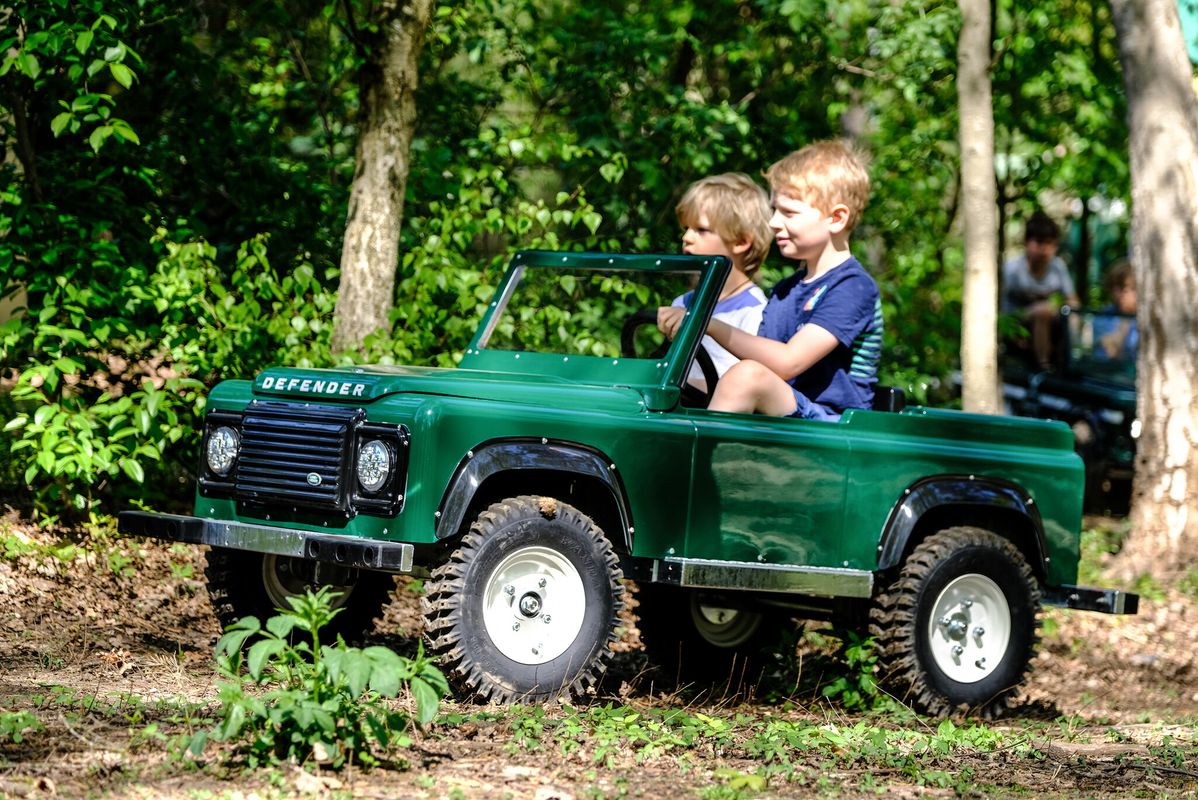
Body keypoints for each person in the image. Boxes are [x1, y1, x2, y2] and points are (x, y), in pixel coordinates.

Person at [658, 140, 882, 420]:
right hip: (786, 413)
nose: (774, 222)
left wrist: (703, 322)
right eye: (775, 210)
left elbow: (788, 362)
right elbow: (760, 359)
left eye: (788, 212)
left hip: (834, 426)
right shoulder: (785, 291)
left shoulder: (853, 286)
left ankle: (699, 461)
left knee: (747, 376)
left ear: (836, 218)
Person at [669, 173, 772, 389]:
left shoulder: (754, 311)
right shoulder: (682, 304)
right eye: (685, 228)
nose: (687, 238)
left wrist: (678, 385)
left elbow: (745, 387)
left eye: (701, 230)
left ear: (741, 241)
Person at [1001, 211, 1080, 370]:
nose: (1044, 249)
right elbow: (999, 307)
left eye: (1050, 243)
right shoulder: (1012, 269)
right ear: (1026, 242)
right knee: (1042, 312)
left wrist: (1073, 321)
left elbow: (1072, 300)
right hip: (1016, 324)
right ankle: (1043, 366)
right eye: (1038, 242)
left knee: (1062, 314)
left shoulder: (1058, 267)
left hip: (1049, 325)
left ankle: (1066, 362)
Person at [1093, 259, 1137, 360]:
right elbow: (1112, 353)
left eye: (1124, 288)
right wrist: (1125, 318)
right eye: (1114, 287)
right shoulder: (1104, 316)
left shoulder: (1147, 317)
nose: (1118, 294)